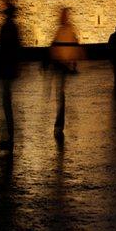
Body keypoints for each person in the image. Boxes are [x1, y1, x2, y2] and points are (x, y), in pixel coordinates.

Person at [49, 8, 83, 139]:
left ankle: (59, 124)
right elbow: (55, 45)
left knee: (61, 94)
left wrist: (73, 62)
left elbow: (74, 45)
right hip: (59, 65)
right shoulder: (61, 29)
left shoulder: (68, 29)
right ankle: (59, 123)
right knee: (60, 94)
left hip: (63, 66)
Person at [0, 2, 22, 151]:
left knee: (6, 101)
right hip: (8, 67)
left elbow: (3, 47)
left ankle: (9, 135)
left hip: (6, 67)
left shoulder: (8, 28)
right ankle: (9, 133)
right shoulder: (12, 27)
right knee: (6, 100)